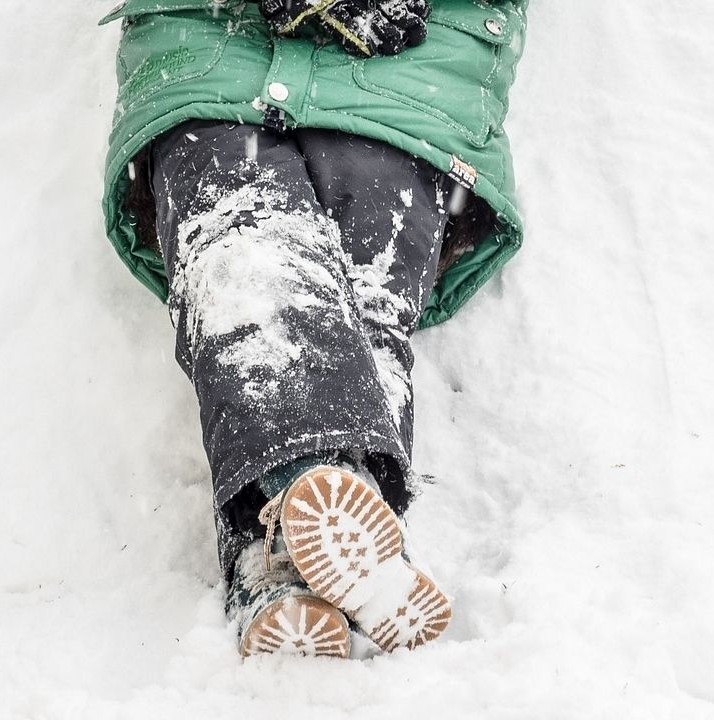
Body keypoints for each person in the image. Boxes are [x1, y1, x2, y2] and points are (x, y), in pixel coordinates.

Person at [99, 0, 529, 657]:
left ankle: (272, 560)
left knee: (355, 288)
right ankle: (338, 507)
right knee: (243, 240)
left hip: (406, 77)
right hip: (217, 60)